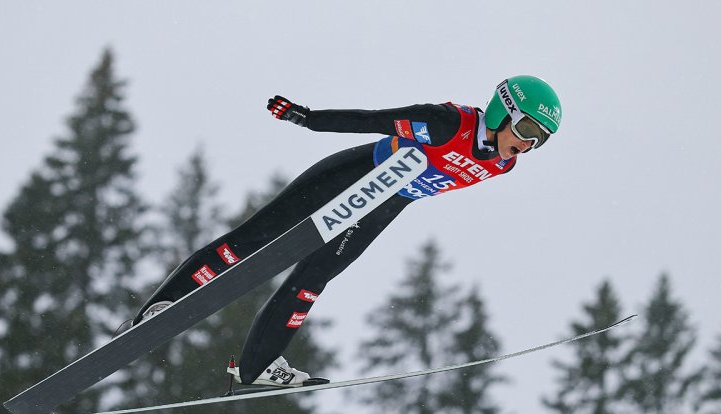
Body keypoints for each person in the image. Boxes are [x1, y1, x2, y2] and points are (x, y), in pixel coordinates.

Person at [121, 75, 562, 387]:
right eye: (525, 128)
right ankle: (161, 306)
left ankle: (258, 365)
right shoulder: (449, 124)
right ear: (504, 109)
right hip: (354, 175)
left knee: (314, 278)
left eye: (538, 139)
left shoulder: (503, 164)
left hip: (386, 202)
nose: (526, 143)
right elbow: (375, 119)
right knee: (253, 240)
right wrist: (307, 118)